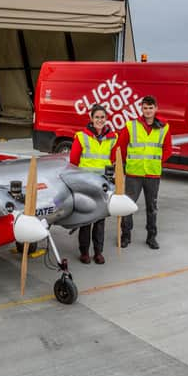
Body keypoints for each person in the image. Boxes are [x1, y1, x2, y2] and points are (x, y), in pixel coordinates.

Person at [117, 95, 172, 249]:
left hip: (152, 174)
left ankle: (151, 237)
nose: (148, 110)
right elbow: (120, 147)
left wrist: (157, 162)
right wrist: (116, 164)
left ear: (156, 109)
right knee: (128, 206)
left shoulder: (164, 127)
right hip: (134, 174)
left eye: (150, 108)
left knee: (152, 207)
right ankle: (126, 236)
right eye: (145, 108)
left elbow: (168, 149)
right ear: (141, 109)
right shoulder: (131, 125)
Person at [69, 104, 118, 264]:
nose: (99, 120)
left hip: (103, 185)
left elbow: (114, 161)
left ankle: (98, 252)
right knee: (86, 220)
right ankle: (84, 252)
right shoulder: (81, 136)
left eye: (102, 117)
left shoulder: (112, 138)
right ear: (91, 118)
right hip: (85, 185)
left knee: (100, 220)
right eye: (96, 117)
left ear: (106, 119)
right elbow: (73, 161)